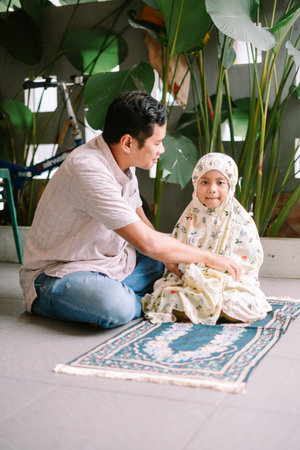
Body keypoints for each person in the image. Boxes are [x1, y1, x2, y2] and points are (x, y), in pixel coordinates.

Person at [19, 91, 241, 329]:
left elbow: (141, 221)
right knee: (117, 306)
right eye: (157, 143)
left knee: (170, 258)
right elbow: (147, 243)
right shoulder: (88, 168)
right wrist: (209, 257)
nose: (162, 150)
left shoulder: (123, 161)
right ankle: (139, 299)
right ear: (128, 142)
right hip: (59, 275)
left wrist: (170, 259)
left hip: (110, 262)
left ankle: (132, 292)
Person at [142, 152, 272, 324]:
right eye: (205, 182)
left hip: (227, 284)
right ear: (195, 184)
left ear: (231, 185)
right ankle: (207, 310)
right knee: (167, 295)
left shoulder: (241, 221)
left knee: (240, 301)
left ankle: (206, 309)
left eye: (220, 182)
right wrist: (195, 275)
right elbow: (173, 258)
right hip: (189, 281)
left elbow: (246, 265)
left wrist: (215, 277)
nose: (212, 189)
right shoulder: (189, 218)